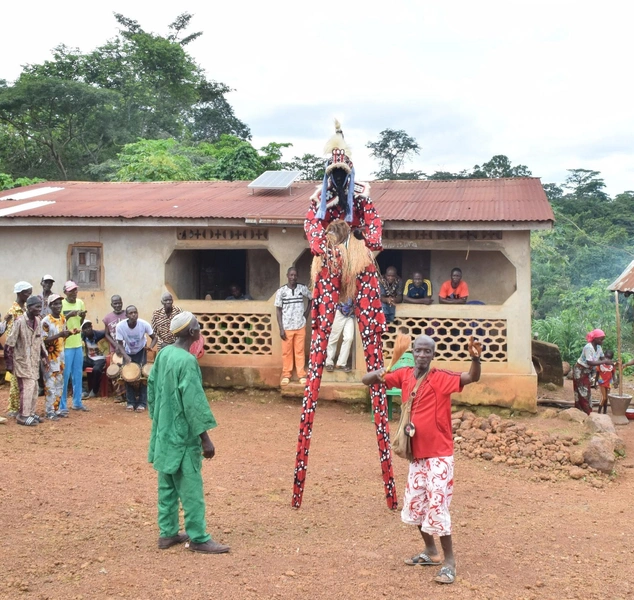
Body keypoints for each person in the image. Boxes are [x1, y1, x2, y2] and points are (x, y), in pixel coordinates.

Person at [293, 120, 395, 511]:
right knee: (321, 327)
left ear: (350, 174)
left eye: (342, 175)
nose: (337, 181)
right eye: (333, 174)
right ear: (327, 174)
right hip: (330, 264)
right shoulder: (318, 200)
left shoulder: (364, 199)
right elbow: (311, 228)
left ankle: (373, 344)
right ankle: (318, 354)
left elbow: (373, 230)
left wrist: (358, 245)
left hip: (357, 262)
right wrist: (327, 247)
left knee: (369, 326)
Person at [362, 335, 482, 585]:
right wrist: (381, 371)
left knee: (437, 505)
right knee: (416, 504)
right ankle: (431, 552)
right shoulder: (404, 374)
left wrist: (475, 358)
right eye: (419, 351)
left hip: (439, 454)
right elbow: (366, 381)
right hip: (416, 455)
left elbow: (471, 378)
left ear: (432, 355)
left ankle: (450, 562)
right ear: (413, 352)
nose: (423, 355)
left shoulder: (440, 378)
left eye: (428, 352)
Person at [147, 311, 230, 555]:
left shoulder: (163, 354)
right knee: (190, 487)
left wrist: (158, 419)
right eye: (197, 325)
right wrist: (205, 439)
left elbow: (151, 385)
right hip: (183, 435)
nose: (199, 327)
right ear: (191, 332)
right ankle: (198, 537)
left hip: (164, 431)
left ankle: (168, 533)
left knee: (167, 484)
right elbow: (193, 403)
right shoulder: (187, 361)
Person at [4, 296, 49, 426]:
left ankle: (31, 412)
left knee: (35, 388)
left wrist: (44, 357)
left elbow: (40, 342)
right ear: (29, 307)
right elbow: (9, 344)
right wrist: (9, 364)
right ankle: (23, 416)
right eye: (36, 307)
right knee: (27, 387)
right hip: (22, 361)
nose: (39, 309)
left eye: (40, 307)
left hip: (34, 361)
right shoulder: (19, 322)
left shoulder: (38, 321)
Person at [274, 267, 311, 386]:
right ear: (287, 275)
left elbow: (312, 298)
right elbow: (278, 310)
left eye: (295, 275)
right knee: (287, 352)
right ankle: (286, 375)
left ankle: (301, 375)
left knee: (300, 351)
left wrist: (306, 314)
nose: (293, 277)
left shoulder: (302, 288)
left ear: (297, 276)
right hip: (287, 327)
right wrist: (281, 328)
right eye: (291, 275)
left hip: (300, 325)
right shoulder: (281, 291)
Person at [116, 305, 155, 412]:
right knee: (128, 376)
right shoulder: (120, 326)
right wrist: (126, 356)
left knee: (143, 377)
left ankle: (142, 403)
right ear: (126, 315)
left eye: (135, 312)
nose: (133, 315)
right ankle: (130, 402)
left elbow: (154, 337)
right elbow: (119, 344)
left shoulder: (144, 324)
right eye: (131, 313)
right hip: (127, 352)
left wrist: (150, 347)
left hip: (141, 351)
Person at [3, 281, 32, 417]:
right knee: (15, 381)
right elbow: (10, 336)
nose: (29, 295)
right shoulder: (13, 312)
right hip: (16, 352)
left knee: (23, 381)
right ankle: (13, 408)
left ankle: (22, 408)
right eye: (27, 292)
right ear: (20, 293)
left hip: (25, 351)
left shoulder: (26, 309)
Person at [41, 294, 70, 419]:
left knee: (59, 384)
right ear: (49, 305)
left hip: (61, 357)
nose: (58, 306)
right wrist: (60, 335)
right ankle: (49, 411)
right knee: (50, 385)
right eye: (55, 303)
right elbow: (43, 340)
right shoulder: (45, 321)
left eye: (60, 303)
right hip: (49, 358)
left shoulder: (63, 319)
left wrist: (66, 334)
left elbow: (62, 336)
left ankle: (56, 409)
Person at [61, 281, 88, 412]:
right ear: (65, 292)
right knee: (65, 375)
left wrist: (83, 317)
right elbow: (58, 322)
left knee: (78, 374)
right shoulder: (61, 304)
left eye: (75, 290)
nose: (74, 293)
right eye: (71, 291)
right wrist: (68, 315)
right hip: (66, 345)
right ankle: (62, 405)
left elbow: (80, 322)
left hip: (77, 343)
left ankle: (77, 402)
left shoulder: (80, 303)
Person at [573, 329, 613, 414]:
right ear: (595, 339)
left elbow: (602, 358)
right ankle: (586, 412)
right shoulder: (588, 347)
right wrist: (604, 362)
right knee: (583, 392)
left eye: (602, 339)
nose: (602, 341)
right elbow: (589, 362)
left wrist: (612, 363)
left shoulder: (599, 347)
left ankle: (582, 411)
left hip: (587, 371)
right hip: (580, 370)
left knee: (585, 391)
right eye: (601, 339)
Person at [103, 294, 127, 402]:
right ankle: (118, 394)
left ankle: (127, 394)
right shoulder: (108, 318)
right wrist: (116, 345)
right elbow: (106, 334)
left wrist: (122, 346)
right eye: (115, 303)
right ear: (111, 304)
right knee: (115, 371)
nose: (118, 305)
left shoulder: (127, 314)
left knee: (127, 370)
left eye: (119, 302)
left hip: (127, 349)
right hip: (115, 349)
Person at [325, 299, 355, 372]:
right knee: (334, 337)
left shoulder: (354, 288)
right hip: (338, 312)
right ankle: (329, 362)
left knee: (349, 338)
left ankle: (341, 363)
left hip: (350, 314)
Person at [81, 320, 108, 398]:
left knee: (96, 369)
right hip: (89, 358)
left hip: (100, 358)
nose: (88, 329)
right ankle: (83, 390)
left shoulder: (98, 334)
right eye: (85, 328)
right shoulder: (82, 336)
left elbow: (107, 331)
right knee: (76, 366)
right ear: (83, 330)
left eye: (89, 326)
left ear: (92, 327)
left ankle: (95, 390)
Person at [596, 350, 617, 414]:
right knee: (604, 397)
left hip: (609, 382)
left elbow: (613, 374)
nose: (607, 359)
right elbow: (597, 373)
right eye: (606, 357)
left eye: (609, 358)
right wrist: (595, 383)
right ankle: (599, 412)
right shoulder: (600, 364)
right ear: (604, 356)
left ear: (611, 358)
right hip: (602, 382)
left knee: (607, 398)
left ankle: (605, 411)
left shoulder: (612, 365)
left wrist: (615, 382)